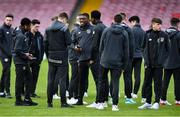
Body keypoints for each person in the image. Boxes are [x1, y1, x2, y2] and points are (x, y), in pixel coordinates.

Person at [97, 14, 129, 111]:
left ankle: (101, 103)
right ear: (121, 21)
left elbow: (101, 46)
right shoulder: (124, 33)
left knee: (102, 82)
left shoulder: (106, 30)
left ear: (113, 20)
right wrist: (124, 65)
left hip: (105, 60)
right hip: (117, 62)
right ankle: (115, 105)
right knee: (115, 83)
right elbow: (126, 51)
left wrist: (102, 57)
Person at [138, 18, 169, 110]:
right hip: (148, 64)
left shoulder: (164, 35)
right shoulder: (147, 34)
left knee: (158, 83)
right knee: (147, 83)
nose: (160, 26)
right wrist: (145, 59)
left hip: (159, 65)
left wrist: (162, 61)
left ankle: (156, 102)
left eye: (160, 24)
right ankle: (148, 102)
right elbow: (142, 47)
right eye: (158, 24)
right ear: (153, 24)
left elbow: (168, 49)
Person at [44, 12, 72, 108]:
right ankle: (63, 103)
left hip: (51, 56)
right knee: (62, 80)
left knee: (50, 80)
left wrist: (48, 56)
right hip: (62, 56)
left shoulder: (48, 28)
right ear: (64, 19)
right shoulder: (64, 28)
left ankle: (49, 103)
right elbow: (69, 42)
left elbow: (45, 43)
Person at [13, 17, 38, 106]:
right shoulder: (20, 36)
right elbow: (17, 50)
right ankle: (18, 101)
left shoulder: (21, 34)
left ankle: (27, 99)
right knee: (20, 81)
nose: (30, 27)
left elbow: (20, 49)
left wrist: (27, 54)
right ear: (25, 25)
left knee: (29, 79)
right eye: (30, 25)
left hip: (23, 61)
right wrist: (26, 56)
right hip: (20, 62)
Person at [86, 10, 108, 108]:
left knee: (98, 80)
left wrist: (91, 58)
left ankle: (99, 101)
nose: (91, 20)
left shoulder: (97, 28)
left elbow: (94, 46)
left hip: (97, 58)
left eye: (91, 18)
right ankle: (105, 100)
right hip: (105, 57)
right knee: (104, 79)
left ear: (94, 18)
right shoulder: (105, 27)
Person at [71, 13, 94, 105]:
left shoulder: (93, 29)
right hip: (82, 59)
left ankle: (101, 101)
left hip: (93, 59)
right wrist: (75, 47)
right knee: (81, 80)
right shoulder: (76, 31)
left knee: (98, 80)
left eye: (83, 19)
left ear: (88, 19)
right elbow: (71, 43)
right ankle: (79, 100)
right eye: (80, 19)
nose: (81, 20)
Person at [161, 18, 180, 106]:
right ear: (177, 24)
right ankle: (178, 100)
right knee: (177, 82)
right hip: (177, 62)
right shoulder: (179, 34)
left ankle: (163, 99)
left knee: (165, 81)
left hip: (166, 62)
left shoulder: (164, 34)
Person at [120, 12, 135, 104]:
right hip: (127, 57)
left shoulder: (110, 29)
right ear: (125, 19)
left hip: (115, 57)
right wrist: (131, 57)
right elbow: (131, 45)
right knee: (128, 77)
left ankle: (110, 97)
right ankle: (128, 98)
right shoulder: (128, 30)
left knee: (114, 78)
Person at [26, 19, 44, 98]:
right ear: (31, 26)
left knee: (35, 76)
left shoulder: (39, 35)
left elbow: (42, 47)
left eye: (38, 27)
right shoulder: (26, 34)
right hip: (27, 58)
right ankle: (25, 92)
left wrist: (40, 58)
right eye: (36, 26)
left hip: (36, 59)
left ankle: (32, 92)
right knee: (26, 76)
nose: (37, 28)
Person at [128, 16, 145, 98]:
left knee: (129, 74)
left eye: (130, 22)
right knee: (137, 75)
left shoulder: (130, 31)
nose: (130, 24)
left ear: (134, 21)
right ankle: (135, 93)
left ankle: (130, 92)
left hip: (131, 55)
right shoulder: (143, 32)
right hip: (139, 56)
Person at [0, 14, 14, 98]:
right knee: (7, 71)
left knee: (5, 72)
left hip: (10, 54)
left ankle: (1, 91)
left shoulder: (12, 29)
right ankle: (7, 91)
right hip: (3, 54)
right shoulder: (1, 29)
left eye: (10, 20)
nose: (9, 21)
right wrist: (6, 52)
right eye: (7, 20)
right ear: (5, 20)